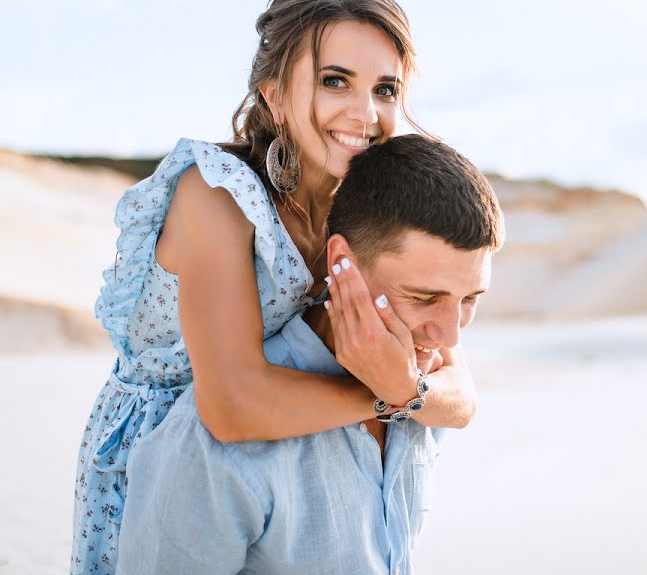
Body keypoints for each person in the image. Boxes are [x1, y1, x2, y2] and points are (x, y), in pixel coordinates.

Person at [72, 0, 478, 574]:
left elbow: (461, 396)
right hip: (170, 456)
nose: (365, 113)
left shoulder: (364, 209)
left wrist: (406, 390)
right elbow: (231, 405)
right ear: (275, 94)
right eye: (335, 80)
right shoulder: (216, 194)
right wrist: (393, 393)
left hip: (295, 447)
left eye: (384, 89)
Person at [115, 135, 504, 574]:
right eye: (423, 297)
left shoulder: (423, 384)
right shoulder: (206, 453)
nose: (449, 333)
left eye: (470, 299)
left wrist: (408, 391)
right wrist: (395, 395)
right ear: (342, 262)